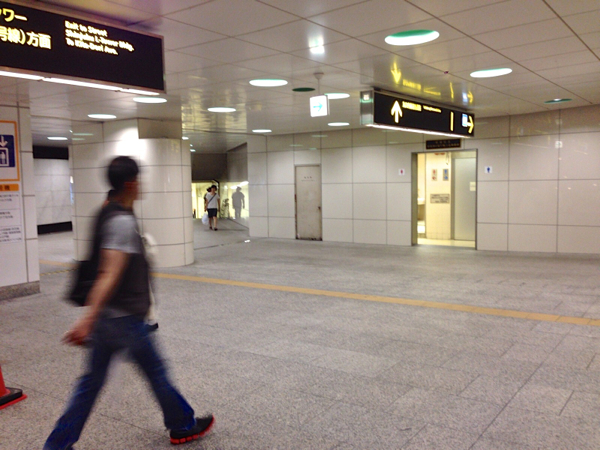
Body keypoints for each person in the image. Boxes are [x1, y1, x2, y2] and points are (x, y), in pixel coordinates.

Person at [44, 156, 214, 450]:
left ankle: (57, 445)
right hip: (123, 320)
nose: (142, 184)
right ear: (131, 183)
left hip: (108, 319)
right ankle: (182, 425)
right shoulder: (121, 221)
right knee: (156, 374)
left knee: (90, 384)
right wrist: (87, 320)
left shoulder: (108, 209)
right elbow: (109, 273)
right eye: (139, 179)